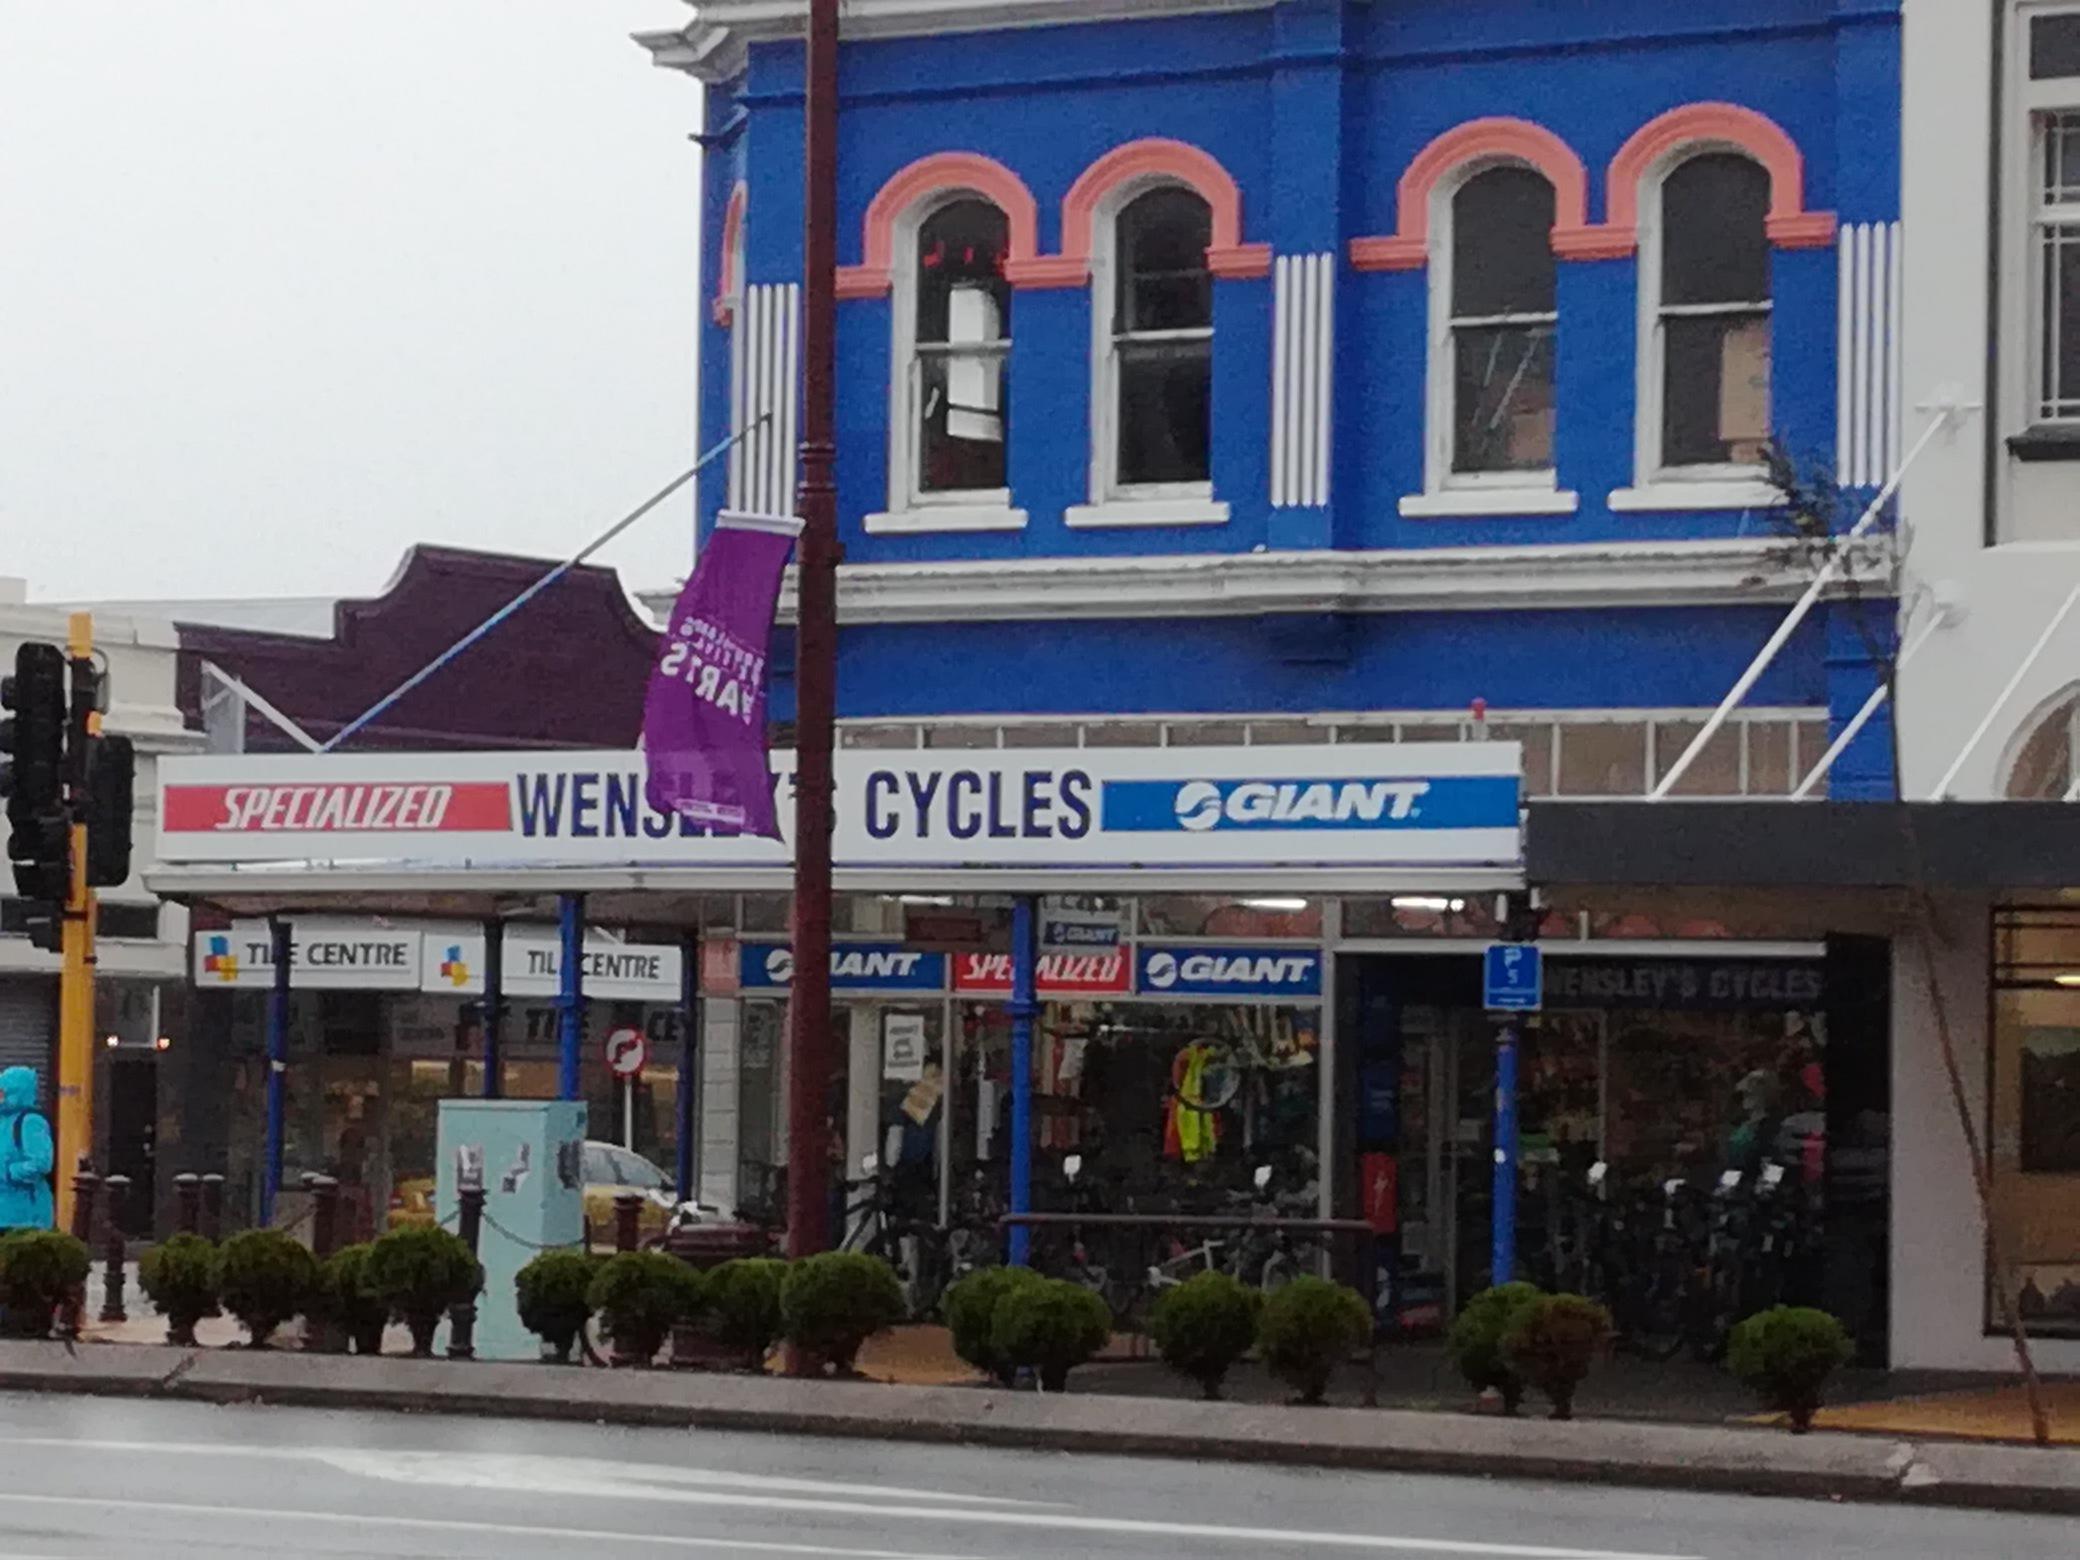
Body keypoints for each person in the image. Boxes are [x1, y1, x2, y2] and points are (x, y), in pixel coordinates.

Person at [0, 1066, 55, 1233]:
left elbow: (41, 1163)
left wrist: (10, 1172)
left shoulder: (30, 1121)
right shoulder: (3, 1120)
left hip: (25, 1216)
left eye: (3, 1092)